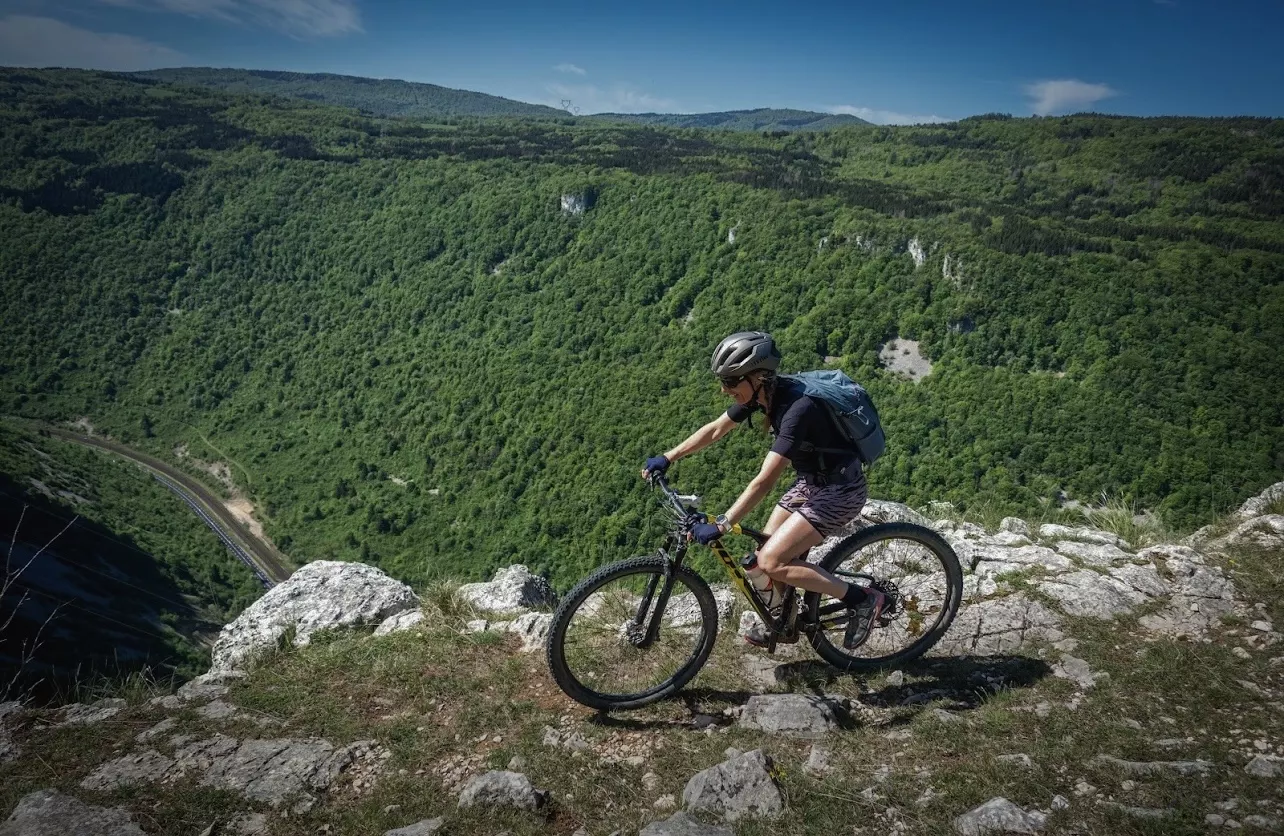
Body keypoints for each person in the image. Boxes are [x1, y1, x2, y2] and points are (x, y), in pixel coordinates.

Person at [641, 331, 886, 648]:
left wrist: (723, 523)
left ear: (756, 377)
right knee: (759, 560)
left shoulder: (798, 410)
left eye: (730, 382)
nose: (724, 389)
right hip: (811, 483)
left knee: (772, 562)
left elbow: (764, 480)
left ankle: (862, 599)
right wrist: (668, 457)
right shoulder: (763, 394)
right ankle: (786, 619)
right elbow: (716, 429)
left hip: (840, 490)